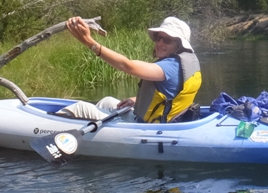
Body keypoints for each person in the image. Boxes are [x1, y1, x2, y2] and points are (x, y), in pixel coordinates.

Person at [59, 16, 202, 123]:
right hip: (161, 120)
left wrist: (89, 42)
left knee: (81, 108)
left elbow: (127, 66)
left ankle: (48, 129)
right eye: (159, 38)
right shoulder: (186, 62)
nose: (160, 43)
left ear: (179, 45)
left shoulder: (170, 67)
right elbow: (173, 97)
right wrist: (136, 100)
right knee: (107, 101)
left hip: (149, 128)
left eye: (167, 40)